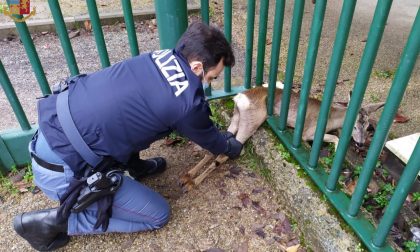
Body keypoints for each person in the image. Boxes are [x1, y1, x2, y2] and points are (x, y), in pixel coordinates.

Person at [13, 21, 243, 251]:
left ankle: (136, 168)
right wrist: (231, 146)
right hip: (64, 171)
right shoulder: (186, 103)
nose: (209, 83)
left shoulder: (158, 57)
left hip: (49, 133)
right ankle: (58, 222)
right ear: (196, 67)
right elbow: (210, 138)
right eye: (212, 77)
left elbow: (130, 120)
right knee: (158, 215)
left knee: (134, 116)